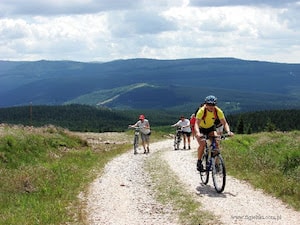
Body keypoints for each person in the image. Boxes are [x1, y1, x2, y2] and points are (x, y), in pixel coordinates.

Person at [194, 95, 234, 171]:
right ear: (205, 104)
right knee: (202, 144)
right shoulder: (202, 111)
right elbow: (196, 124)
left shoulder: (218, 111)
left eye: (213, 104)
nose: (211, 106)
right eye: (209, 104)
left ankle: (215, 164)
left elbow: (224, 123)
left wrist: (228, 131)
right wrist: (198, 133)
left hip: (210, 128)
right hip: (200, 128)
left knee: (216, 143)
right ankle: (199, 162)